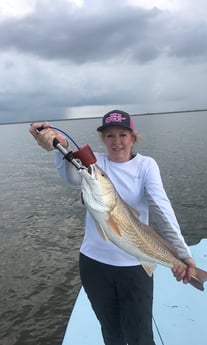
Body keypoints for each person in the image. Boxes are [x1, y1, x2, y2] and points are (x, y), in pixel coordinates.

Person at [30, 109, 196, 345]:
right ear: (103, 139)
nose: (116, 142)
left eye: (122, 135)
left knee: (140, 335)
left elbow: (162, 209)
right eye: (109, 136)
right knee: (110, 331)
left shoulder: (146, 166)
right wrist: (58, 145)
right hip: (94, 266)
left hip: (135, 266)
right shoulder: (94, 165)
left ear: (133, 138)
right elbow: (71, 176)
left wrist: (182, 255)